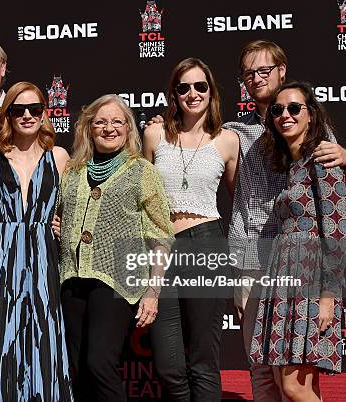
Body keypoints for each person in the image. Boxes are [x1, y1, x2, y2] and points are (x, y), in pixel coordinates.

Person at [222, 40, 346, 402]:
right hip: (254, 255)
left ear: (282, 70)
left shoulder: (317, 136)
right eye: (249, 73)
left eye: (264, 70)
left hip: (303, 265)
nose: (257, 78)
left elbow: (336, 202)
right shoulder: (235, 131)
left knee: (297, 379)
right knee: (263, 371)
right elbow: (194, 140)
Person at [0, 82, 73, 401]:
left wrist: (64, 227)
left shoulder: (60, 158)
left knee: (42, 341)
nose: (27, 116)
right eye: (18, 110)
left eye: (35, 109)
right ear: (7, 115)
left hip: (44, 260)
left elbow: (73, 212)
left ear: (44, 114)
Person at [59, 94, 173, 402]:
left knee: (99, 363)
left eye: (117, 121)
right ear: (88, 128)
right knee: (74, 369)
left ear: (129, 128)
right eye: (100, 122)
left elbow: (160, 235)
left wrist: (153, 292)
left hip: (116, 283)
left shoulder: (141, 171)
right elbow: (59, 216)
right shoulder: (72, 171)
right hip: (71, 280)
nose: (109, 128)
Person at [142, 58, 239, 401]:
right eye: (184, 87)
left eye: (200, 86)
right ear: (174, 93)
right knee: (169, 364)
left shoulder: (228, 141)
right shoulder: (154, 134)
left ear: (211, 92)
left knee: (203, 360)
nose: (192, 93)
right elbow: (141, 196)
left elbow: (239, 202)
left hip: (206, 244)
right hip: (160, 249)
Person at [250, 81, 346, 402]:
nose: (285, 115)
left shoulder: (322, 158)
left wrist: (329, 296)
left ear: (311, 115)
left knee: (293, 387)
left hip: (311, 282)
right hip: (285, 281)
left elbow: (336, 230)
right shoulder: (294, 165)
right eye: (278, 110)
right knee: (302, 386)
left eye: (295, 108)